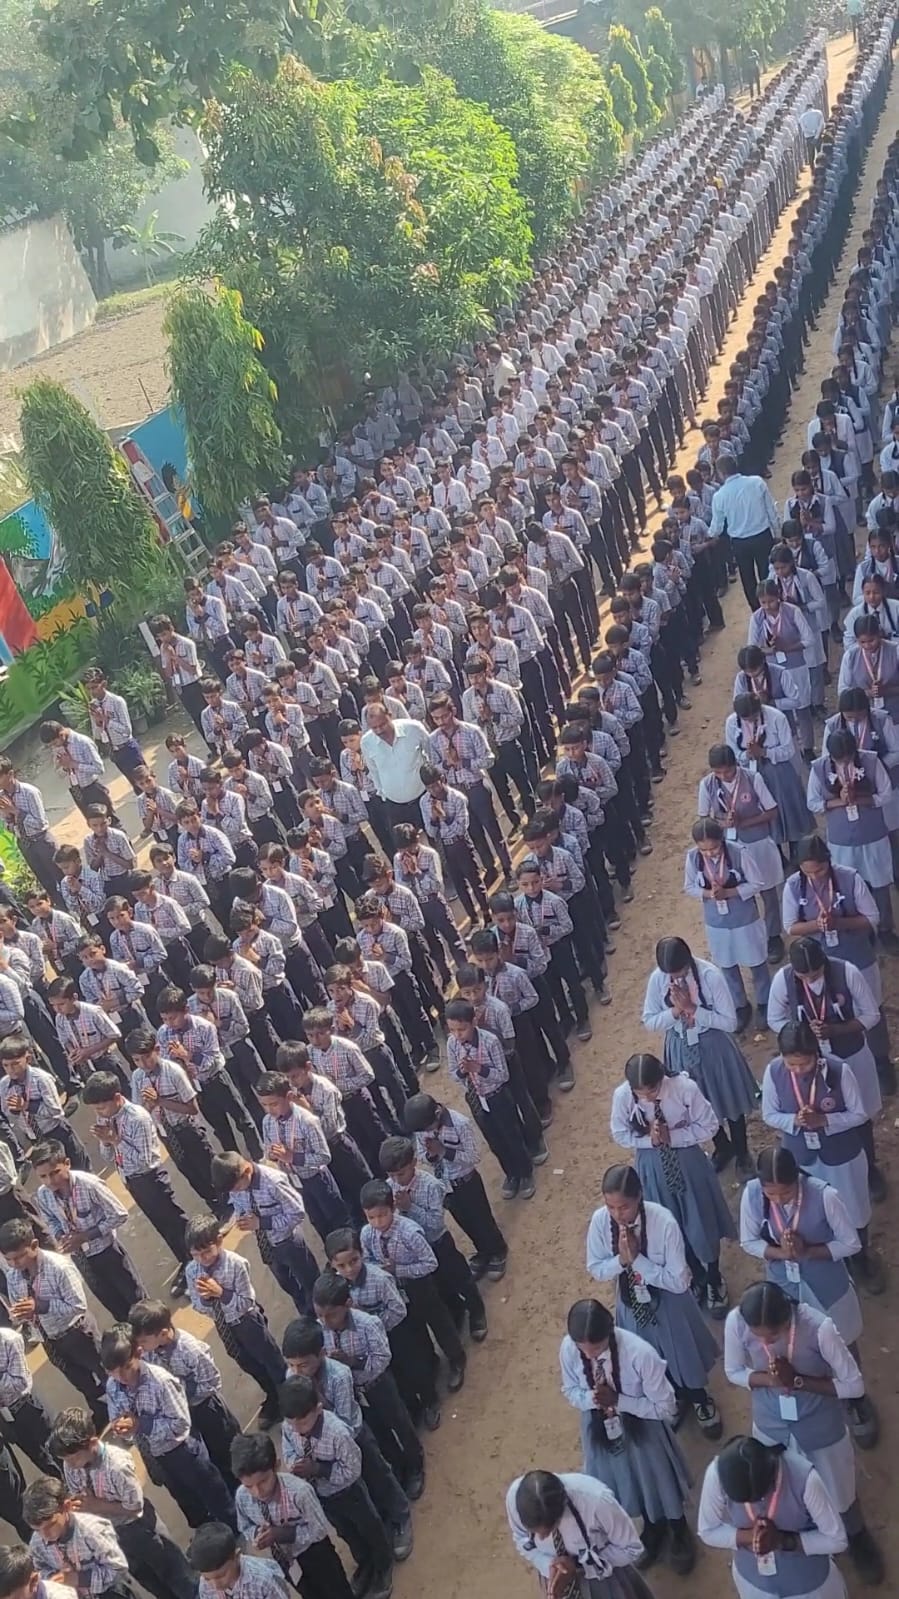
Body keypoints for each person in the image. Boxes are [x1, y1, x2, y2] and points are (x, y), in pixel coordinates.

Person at [723, 1283, 883, 1584]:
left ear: (788, 1319)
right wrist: (768, 1380)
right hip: (771, 1425)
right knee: (780, 1487)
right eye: (758, 1335)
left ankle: (856, 1535)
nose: (764, 1341)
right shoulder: (737, 1321)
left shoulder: (820, 1329)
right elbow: (733, 1371)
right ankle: (807, 1540)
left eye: (773, 1335)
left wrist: (797, 1381)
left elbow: (853, 1385)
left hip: (820, 1425)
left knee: (839, 1488)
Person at [585, 1165, 721, 1439]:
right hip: (630, 1303)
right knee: (649, 1357)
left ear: (639, 1196)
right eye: (610, 1207)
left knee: (682, 1353)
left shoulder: (663, 1223)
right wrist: (622, 1261)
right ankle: (672, 1397)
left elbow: (680, 1281)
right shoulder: (600, 1222)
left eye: (624, 1207)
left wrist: (638, 1261)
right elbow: (596, 1267)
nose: (617, 1214)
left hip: (670, 1303)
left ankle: (699, 1397)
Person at [560, 1299, 693, 1575]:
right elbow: (570, 1389)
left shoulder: (640, 1355)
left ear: (609, 1332)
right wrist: (592, 1399)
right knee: (628, 1480)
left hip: (643, 1427)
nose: (589, 1355)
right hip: (599, 1426)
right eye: (582, 1349)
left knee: (657, 1479)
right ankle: (653, 1527)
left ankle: (678, 1528)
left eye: (597, 1348)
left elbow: (666, 1407)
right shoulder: (569, 1349)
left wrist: (619, 1401)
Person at [739, 1145, 883, 1380]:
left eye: (786, 1193)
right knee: (797, 1340)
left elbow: (850, 1244)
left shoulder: (825, 1196)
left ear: (797, 1179)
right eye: (770, 1194)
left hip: (825, 1281)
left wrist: (808, 1251)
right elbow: (748, 1241)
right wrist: (781, 1253)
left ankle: (853, 1390)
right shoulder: (752, 1194)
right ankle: (817, 1387)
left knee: (842, 1338)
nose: (778, 1200)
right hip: (784, 1284)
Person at [610, 1053, 735, 1318]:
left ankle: (714, 1277)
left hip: (688, 1161)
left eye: (652, 1090)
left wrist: (673, 1137)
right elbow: (620, 1133)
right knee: (670, 1225)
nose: (646, 1097)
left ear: (661, 1078)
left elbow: (710, 1125)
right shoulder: (622, 1097)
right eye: (640, 1093)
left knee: (701, 1221)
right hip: (651, 1167)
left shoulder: (684, 1088)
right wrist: (649, 1141)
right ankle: (696, 1274)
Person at [766, 939, 886, 1204]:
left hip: (849, 1055)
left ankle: (869, 1168)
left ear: (824, 963)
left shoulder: (846, 972)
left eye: (816, 974)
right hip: (807, 1062)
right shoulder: (783, 980)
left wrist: (837, 1029)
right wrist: (801, 1034)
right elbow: (774, 1018)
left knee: (860, 1114)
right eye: (804, 977)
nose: (811, 980)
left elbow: (871, 1015)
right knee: (814, 1111)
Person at [48, 1406, 198, 1599]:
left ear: (92, 1443)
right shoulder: (71, 1466)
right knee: (150, 1582)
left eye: (74, 1458)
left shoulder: (117, 1465)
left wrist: (96, 1506)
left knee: (178, 1576)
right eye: (65, 1460)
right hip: (112, 1535)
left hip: (141, 1529)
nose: (70, 1465)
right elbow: (79, 1494)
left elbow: (135, 1507)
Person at [101, 1323, 236, 1532]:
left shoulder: (161, 1381)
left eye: (126, 1367)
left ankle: (232, 1528)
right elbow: (118, 1418)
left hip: (183, 1449)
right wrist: (123, 1429)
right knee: (183, 1497)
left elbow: (180, 1423)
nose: (121, 1377)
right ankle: (206, 1530)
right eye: (113, 1372)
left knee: (210, 1489)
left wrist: (141, 1425)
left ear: (139, 1353)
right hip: (154, 1455)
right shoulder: (113, 1386)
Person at [642, 936, 757, 1176]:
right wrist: (675, 1011)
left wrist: (694, 1010)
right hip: (680, 1047)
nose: (676, 979)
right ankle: (722, 1146)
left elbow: (730, 1022)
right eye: (671, 975)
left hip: (713, 1046)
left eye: (680, 972)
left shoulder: (710, 976)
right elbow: (650, 1020)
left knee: (729, 1098)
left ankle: (742, 1151)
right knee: (696, 1102)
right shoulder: (658, 979)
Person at [309, 1272, 425, 1500]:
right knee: (379, 1432)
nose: (325, 1321)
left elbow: (382, 1358)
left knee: (399, 1422)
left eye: (331, 1315)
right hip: (353, 1394)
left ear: (347, 1304)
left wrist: (353, 1361)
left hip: (378, 1385)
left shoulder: (367, 1324)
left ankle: (415, 1463)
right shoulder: (320, 1330)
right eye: (320, 1315)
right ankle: (399, 1465)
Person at [278, 1376, 394, 1599]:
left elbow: (353, 1469)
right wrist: (294, 1464)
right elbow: (289, 1450)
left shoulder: (337, 1432)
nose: (298, 1430)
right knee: (344, 1530)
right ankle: (365, 1562)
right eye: (293, 1424)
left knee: (368, 1526)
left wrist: (319, 1469)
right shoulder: (289, 1428)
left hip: (350, 1492)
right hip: (321, 1495)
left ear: (318, 1408)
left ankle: (383, 1564)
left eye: (303, 1422)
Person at [697, 1434, 848, 1599]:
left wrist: (781, 1540)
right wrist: (751, 1537)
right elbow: (707, 1531)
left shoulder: (806, 1480)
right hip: (753, 1581)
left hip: (808, 1585)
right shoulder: (718, 1473)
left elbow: (837, 1540)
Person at [81, 1072, 190, 1297]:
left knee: (174, 1221)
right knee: (162, 1226)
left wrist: (115, 1139)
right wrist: (106, 1142)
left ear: (117, 1098)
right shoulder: (107, 1119)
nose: (99, 1113)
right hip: (131, 1180)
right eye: (95, 1109)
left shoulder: (137, 1118)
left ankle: (196, 1258)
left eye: (102, 1107)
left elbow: (144, 1160)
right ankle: (186, 1261)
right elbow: (108, 1157)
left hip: (150, 1178)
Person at [325, 1227, 442, 1432]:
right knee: (395, 1373)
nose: (349, 1269)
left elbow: (398, 1310)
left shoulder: (379, 1278)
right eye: (341, 1265)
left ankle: (430, 1401)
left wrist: (372, 1321)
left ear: (362, 1254)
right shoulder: (337, 1285)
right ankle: (413, 1408)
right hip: (371, 1340)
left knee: (413, 1365)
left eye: (354, 1261)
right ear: (332, 1264)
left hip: (396, 1330)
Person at [360, 1177, 468, 1392]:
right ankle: (431, 1362)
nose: (378, 1222)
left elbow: (430, 1263)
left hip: (419, 1285)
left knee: (438, 1321)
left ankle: (456, 1358)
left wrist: (398, 1270)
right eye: (371, 1217)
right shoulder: (366, 1234)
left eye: (382, 1215)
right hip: (394, 1290)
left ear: (393, 1208)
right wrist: (380, 1270)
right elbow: (368, 1259)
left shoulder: (409, 1232)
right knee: (415, 1327)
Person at [378, 1133, 488, 1341]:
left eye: (401, 1174)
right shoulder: (390, 1187)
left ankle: (476, 1311)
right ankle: (457, 1311)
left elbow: (436, 1222)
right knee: (439, 1285)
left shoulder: (431, 1185)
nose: (396, 1180)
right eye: (392, 1175)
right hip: (415, 1250)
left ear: (414, 1163)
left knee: (459, 1277)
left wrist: (410, 1207)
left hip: (438, 1243)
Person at [0, 1217, 107, 1427]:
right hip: (48, 1338)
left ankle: (125, 1411)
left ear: (34, 1245)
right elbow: (20, 1303)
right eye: (9, 1260)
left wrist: (41, 1306)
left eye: (19, 1257)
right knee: (81, 1381)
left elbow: (78, 1306)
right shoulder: (13, 1275)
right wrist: (24, 1314)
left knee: (104, 1372)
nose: (15, 1264)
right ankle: (101, 1410)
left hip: (77, 1332)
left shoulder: (59, 1267)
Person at [129, 1299, 241, 1491]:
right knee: (207, 1462)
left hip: (205, 1409)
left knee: (226, 1454)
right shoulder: (149, 1354)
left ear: (163, 1334)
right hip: (183, 1417)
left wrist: (179, 1393)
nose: (140, 1347)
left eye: (144, 1341)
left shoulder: (189, 1349)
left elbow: (212, 1382)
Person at [31, 1138, 145, 1322]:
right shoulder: (43, 1194)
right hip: (82, 1259)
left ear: (67, 1163)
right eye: (43, 1176)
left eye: (55, 1173)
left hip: (108, 1252)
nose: (50, 1181)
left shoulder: (89, 1184)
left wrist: (86, 1236)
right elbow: (51, 1219)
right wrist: (62, 1236)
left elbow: (119, 1214)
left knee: (136, 1300)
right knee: (112, 1303)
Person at [230, 1430, 353, 1599]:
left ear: (276, 1466)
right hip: (284, 1559)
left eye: (263, 1481)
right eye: (249, 1486)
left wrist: (283, 1534)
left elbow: (319, 1530)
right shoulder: (242, 1497)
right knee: (309, 1593)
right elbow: (244, 1525)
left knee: (337, 1592)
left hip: (315, 1554)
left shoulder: (299, 1492)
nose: (257, 1491)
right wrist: (257, 1535)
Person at [402, 1091, 508, 1280]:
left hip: (467, 1181)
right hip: (445, 1184)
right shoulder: (422, 1128)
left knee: (482, 1219)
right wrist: (431, 1155)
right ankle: (482, 1251)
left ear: (437, 1114)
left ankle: (497, 1250)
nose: (425, 1132)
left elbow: (473, 1156)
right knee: (464, 1221)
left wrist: (444, 1151)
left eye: (427, 1127)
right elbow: (423, 1155)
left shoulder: (459, 1123)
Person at [506, 1469, 653, 1599]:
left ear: (561, 1512)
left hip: (603, 1580)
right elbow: (521, 1539)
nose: (541, 1538)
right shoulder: (514, 1499)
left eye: (548, 1531)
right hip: (553, 1580)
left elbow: (631, 1549)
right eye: (533, 1532)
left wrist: (579, 1565)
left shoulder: (597, 1502)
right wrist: (548, 1565)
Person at [697, 745, 785, 961]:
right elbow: (704, 819)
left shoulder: (753, 778)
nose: (723, 776)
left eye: (727, 771)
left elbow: (772, 811)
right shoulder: (707, 784)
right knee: (740, 892)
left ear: (736, 765)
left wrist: (744, 822)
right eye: (718, 772)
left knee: (768, 891)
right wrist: (722, 824)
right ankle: (751, 936)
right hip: (728, 849)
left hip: (757, 842)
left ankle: (774, 936)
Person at [684, 818, 771, 1030]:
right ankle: (740, 1005)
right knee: (727, 965)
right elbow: (689, 886)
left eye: (714, 848)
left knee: (756, 962)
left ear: (721, 840)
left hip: (745, 918)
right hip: (716, 922)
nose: (709, 853)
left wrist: (730, 892)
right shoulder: (693, 858)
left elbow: (757, 882)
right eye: (704, 850)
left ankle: (764, 1003)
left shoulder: (738, 852)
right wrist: (708, 894)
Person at [211, 1151, 320, 1316]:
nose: (236, 1192)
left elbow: (297, 1213)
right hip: (267, 1246)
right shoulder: (236, 1185)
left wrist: (262, 1223)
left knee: (310, 1283)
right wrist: (242, 1216)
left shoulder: (273, 1182)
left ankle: (323, 1313)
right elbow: (238, 1203)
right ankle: (307, 1316)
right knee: (288, 1285)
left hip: (289, 1242)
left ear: (247, 1171)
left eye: (237, 1187)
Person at [22, 1475, 133, 1598]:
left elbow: (118, 1568)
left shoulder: (92, 1531)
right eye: (37, 1530)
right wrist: (54, 1578)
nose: (45, 1535)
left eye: (50, 1526)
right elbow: (40, 1568)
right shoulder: (37, 1543)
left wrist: (79, 1579)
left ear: (66, 1507)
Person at [707, 456, 780, 609]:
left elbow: (717, 527)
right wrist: (777, 533)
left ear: (720, 473)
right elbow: (771, 510)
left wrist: (709, 535)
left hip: (740, 543)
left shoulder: (719, 496)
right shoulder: (757, 482)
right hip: (762, 536)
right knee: (768, 574)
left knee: (748, 580)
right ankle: (774, 606)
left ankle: (757, 611)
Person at [360, 706, 432, 832]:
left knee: (434, 838)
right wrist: (383, 794)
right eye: (374, 728)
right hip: (394, 806)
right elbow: (374, 771)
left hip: (424, 798)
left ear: (390, 715)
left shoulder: (414, 728)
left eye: (382, 725)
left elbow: (432, 754)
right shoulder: (367, 742)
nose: (379, 731)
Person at [188, 1521, 290, 1599]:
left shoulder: (264, 1580)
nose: (216, 1585)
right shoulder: (205, 1585)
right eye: (207, 1579)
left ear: (237, 1556)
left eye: (221, 1576)